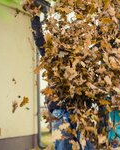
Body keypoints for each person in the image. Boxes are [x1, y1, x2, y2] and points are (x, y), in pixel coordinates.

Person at [26, 1, 94, 149]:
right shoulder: (53, 58)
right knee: (62, 146)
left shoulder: (83, 57)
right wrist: (35, 17)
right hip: (60, 110)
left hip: (81, 110)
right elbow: (40, 40)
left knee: (87, 146)